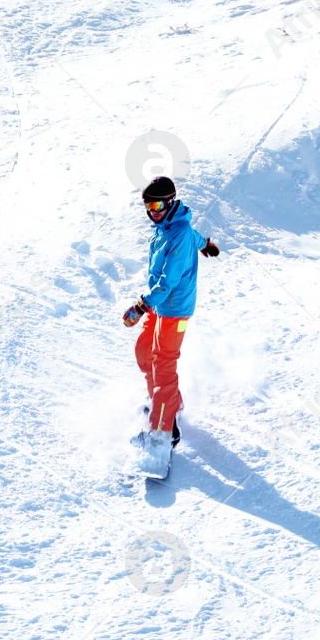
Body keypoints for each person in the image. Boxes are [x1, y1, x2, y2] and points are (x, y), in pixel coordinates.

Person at [122, 175, 220, 470]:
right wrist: (206, 244)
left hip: (172, 308)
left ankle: (162, 436)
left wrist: (141, 306)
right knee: (144, 353)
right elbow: (195, 236)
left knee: (162, 364)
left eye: (157, 204)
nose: (153, 211)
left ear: (170, 201)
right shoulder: (169, 227)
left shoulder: (177, 232)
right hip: (161, 305)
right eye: (148, 205)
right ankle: (166, 404)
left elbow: (169, 279)